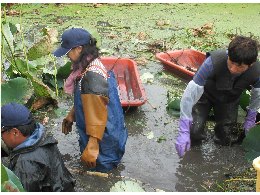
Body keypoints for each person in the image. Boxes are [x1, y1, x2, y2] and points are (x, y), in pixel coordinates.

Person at [53, 27, 128, 172]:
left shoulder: (92, 76)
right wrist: (71, 115)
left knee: (100, 170)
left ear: (79, 49)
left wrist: (93, 147)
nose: (67, 56)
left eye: (69, 52)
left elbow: (97, 116)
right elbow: (88, 100)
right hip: (107, 131)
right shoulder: (90, 65)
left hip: (103, 140)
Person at [175, 35, 260, 157]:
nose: (233, 69)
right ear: (229, 55)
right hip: (205, 96)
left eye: (240, 66)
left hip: (230, 99)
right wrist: (183, 128)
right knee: (193, 131)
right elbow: (190, 94)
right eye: (231, 63)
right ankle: (195, 152)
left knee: (226, 137)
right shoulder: (212, 62)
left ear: (250, 64)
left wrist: (251, 118)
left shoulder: (256, 72)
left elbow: (257, 96)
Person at [1, 102, 75, 192]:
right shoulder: (44, 138)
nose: (1, 136)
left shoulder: (24, 165)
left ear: (15, 132)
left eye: (2, 131)